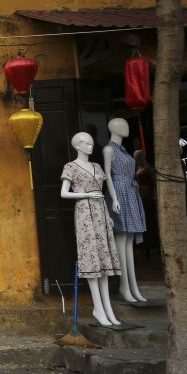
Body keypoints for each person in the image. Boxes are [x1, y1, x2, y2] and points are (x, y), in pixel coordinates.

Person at [61, 132, 122, 327]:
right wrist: (85, 195)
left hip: (101, 213)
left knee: (104, 258)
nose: (91, 146)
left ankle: (107, 308)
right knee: (92, 257)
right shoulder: (70, 167)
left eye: (91, 143)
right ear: (78, 145)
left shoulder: (96, 167)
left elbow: (102, 193)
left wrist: (108, 216)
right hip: (85, 214)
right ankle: (98, 307)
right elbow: (64, 193)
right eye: (87, 143)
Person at [102, 118, 147, 303]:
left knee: (129, 240)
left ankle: (133, 286)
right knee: (122, 239)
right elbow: (108, 176)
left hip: (130, 191)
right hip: (119, 193)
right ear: (113, 127)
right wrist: (113, 198)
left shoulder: (124, 150)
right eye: (122, 124)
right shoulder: (109, 149)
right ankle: (124, 285)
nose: (126, 127)